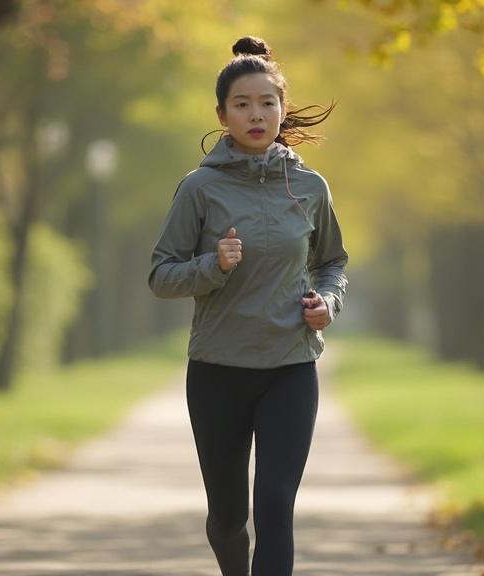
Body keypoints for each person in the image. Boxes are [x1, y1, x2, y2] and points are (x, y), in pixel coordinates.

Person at [148, 35, 348, 576]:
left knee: (276, 507)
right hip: (218, 370)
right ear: (222, 115)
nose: (256, 115)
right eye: (242, 104)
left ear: (282, 109)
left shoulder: (310, 187)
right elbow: (161, 276)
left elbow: (332, 262)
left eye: (266, 103)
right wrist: (213, 265)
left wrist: (327, 303)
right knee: (229, 518)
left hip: (290, 366)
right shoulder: (199, 188)